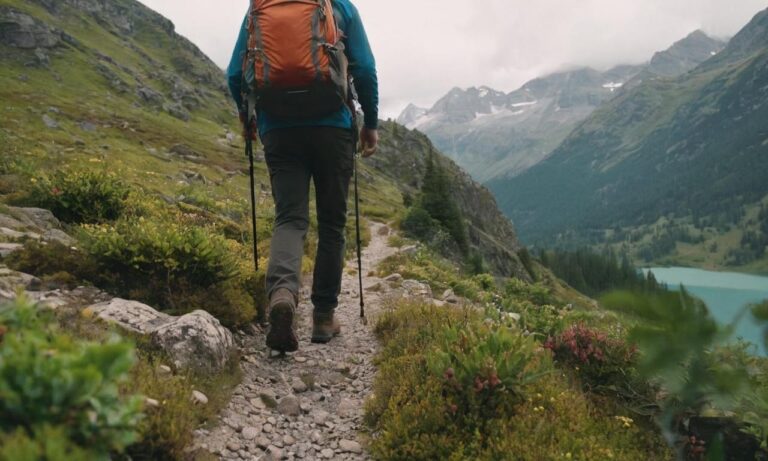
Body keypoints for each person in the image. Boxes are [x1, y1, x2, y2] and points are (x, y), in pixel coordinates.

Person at [226, 0, 379, 352]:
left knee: (290, 219)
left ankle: (282, 295)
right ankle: (324, 317)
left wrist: (247, 118)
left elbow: (235, 74)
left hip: (278, 130)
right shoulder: (339, 5)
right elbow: (366, 69)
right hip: (333, 127)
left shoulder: (259, 8)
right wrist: (369, 123)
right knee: (332, 224)